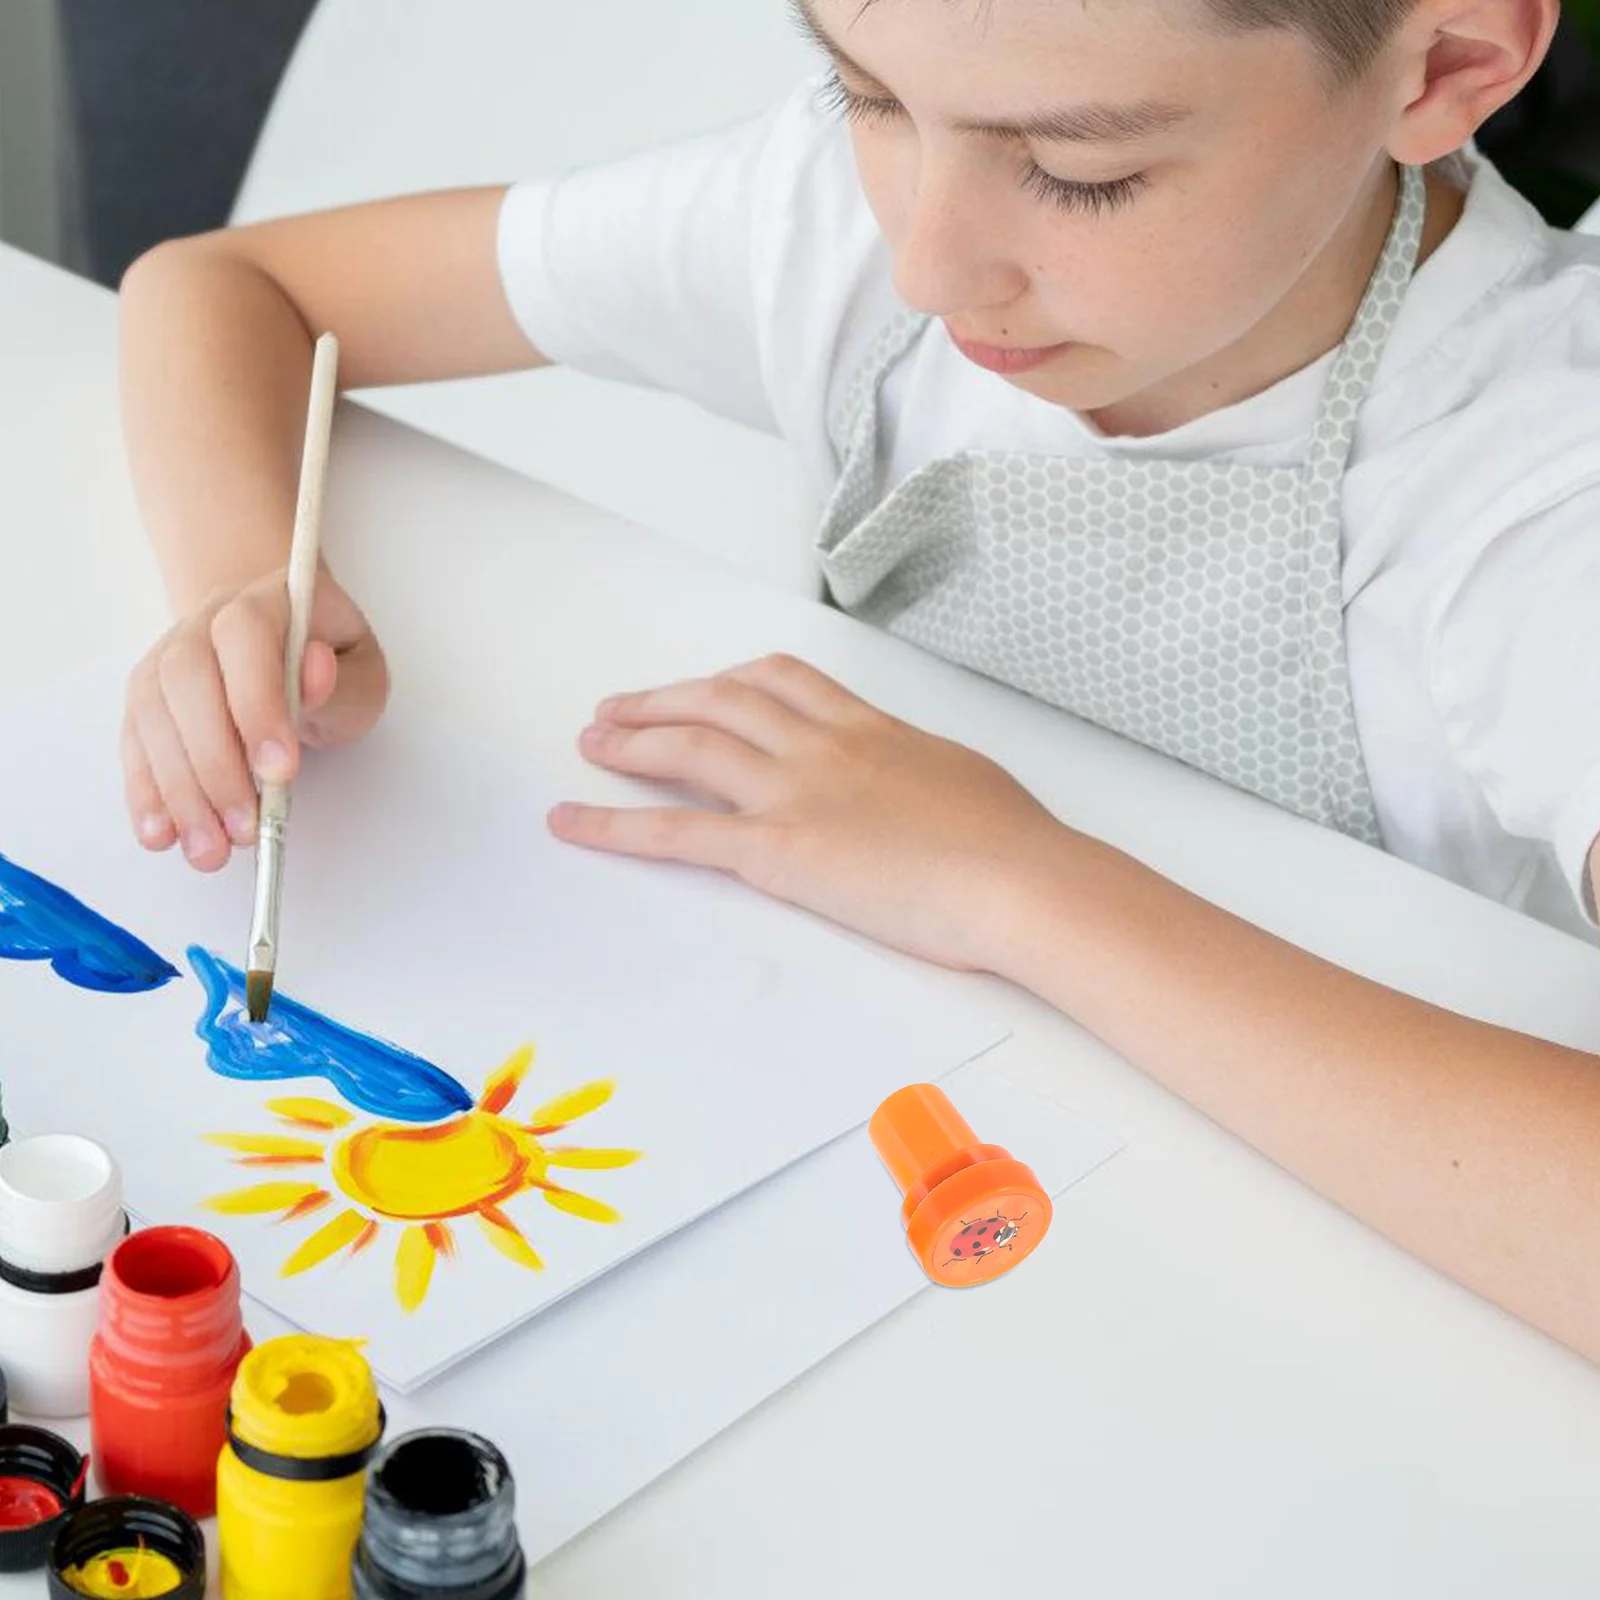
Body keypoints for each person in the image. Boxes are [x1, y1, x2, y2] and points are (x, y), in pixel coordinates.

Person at [115, 0, 1600, 1363]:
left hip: (1314, 1331)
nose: (924, 263)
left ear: (1450, 64)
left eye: (1084, 174)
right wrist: (252, 581)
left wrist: (1022, 887)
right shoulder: (826, 218)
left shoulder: (1535, 489)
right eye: (865, 93)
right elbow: (228, 286)